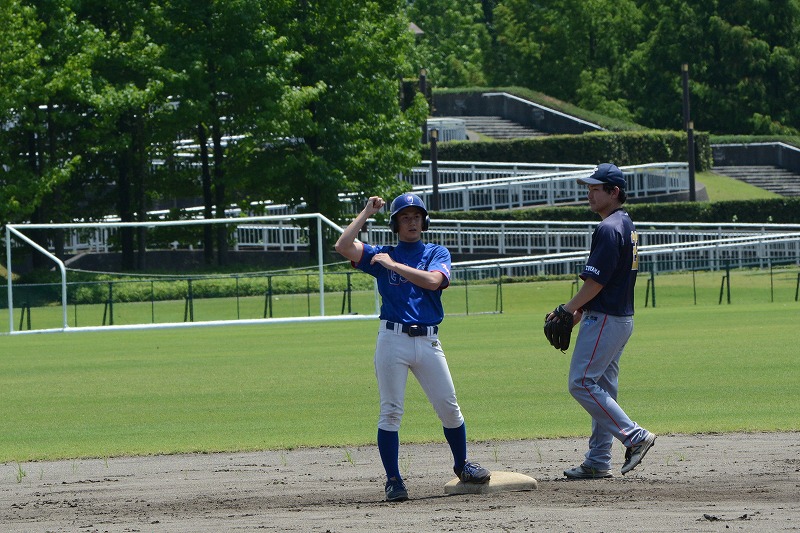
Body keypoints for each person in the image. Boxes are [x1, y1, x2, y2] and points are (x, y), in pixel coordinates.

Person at [335, 193, 490, 502]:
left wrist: (393, 265)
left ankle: (462, 465)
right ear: (395, 224)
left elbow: (433, 281)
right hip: (392, 340)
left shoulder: (435, 252)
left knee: (449, 407)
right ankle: (393, 480)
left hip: (429, 340)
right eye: (405, 217)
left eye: (416, 216)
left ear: (424, 221)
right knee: (391, 411)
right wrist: (366, 212)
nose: (412, 222)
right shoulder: (382, 254)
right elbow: (343, 246)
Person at [547, 163, 656, 479]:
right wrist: (578, 314)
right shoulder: (625, 224)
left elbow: (596, 282)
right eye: (589, 188)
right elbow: (609, 281)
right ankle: (597, 460)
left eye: (596, 188)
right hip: (618, 318)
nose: (590, 194)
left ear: (614, 192)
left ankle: (635, 436)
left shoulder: (608, 228)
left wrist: (567, 310)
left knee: (581, 383)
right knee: (602, 388)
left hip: (606, 319)